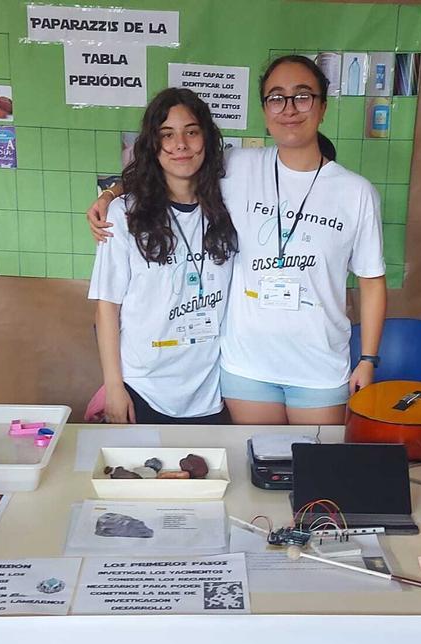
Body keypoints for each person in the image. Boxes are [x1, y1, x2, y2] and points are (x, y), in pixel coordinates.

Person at [90, 55, 386, 426]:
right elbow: (171, 165)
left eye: (303, 96)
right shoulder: (242, 165)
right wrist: (111, 195)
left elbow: (372, 281)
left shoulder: (356, 193)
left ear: (323, 106)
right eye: (277, 98)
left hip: (319, 365)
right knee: (256, 469)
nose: (290, 109)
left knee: (316, 471)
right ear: (265, 110)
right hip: (245, 367)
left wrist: (369, 359)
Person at [87, 88, 237, 425]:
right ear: (153, 145)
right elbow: (107, 307)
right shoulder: (124, 214)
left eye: (191, 132)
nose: (180, 144)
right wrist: (114, 387)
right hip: (143, 387)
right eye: (166, 135)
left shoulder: (230, 205)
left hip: (211, 390)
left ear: (207, 139)